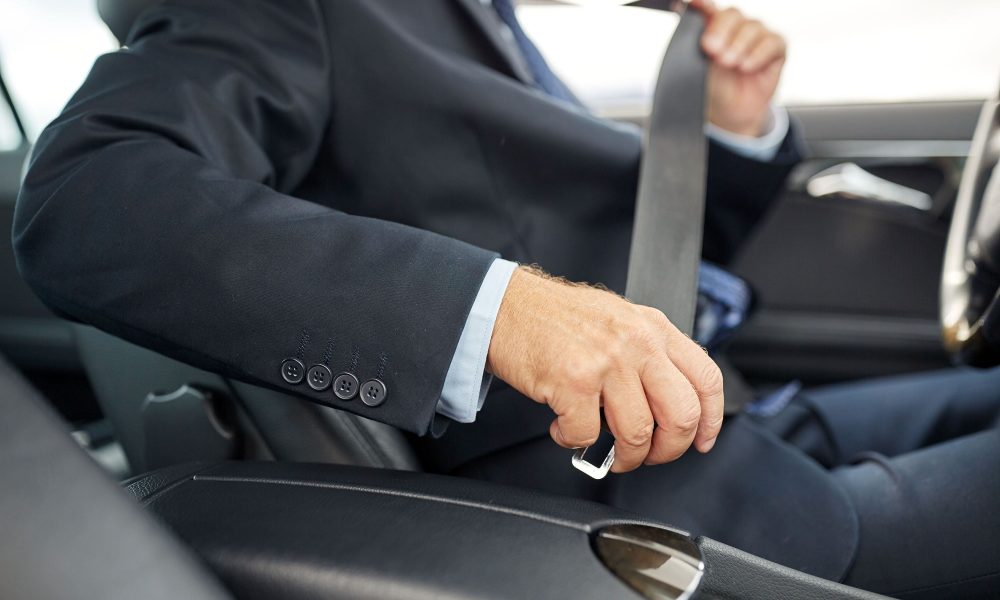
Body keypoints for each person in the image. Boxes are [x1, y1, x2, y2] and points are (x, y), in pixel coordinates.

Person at [12, 0, 999, 597]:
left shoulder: (482, 20)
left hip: (727, 424)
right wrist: (508, 314)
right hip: (643, 513)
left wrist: (732, 130)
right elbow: (87, 200)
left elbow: (621, 262)